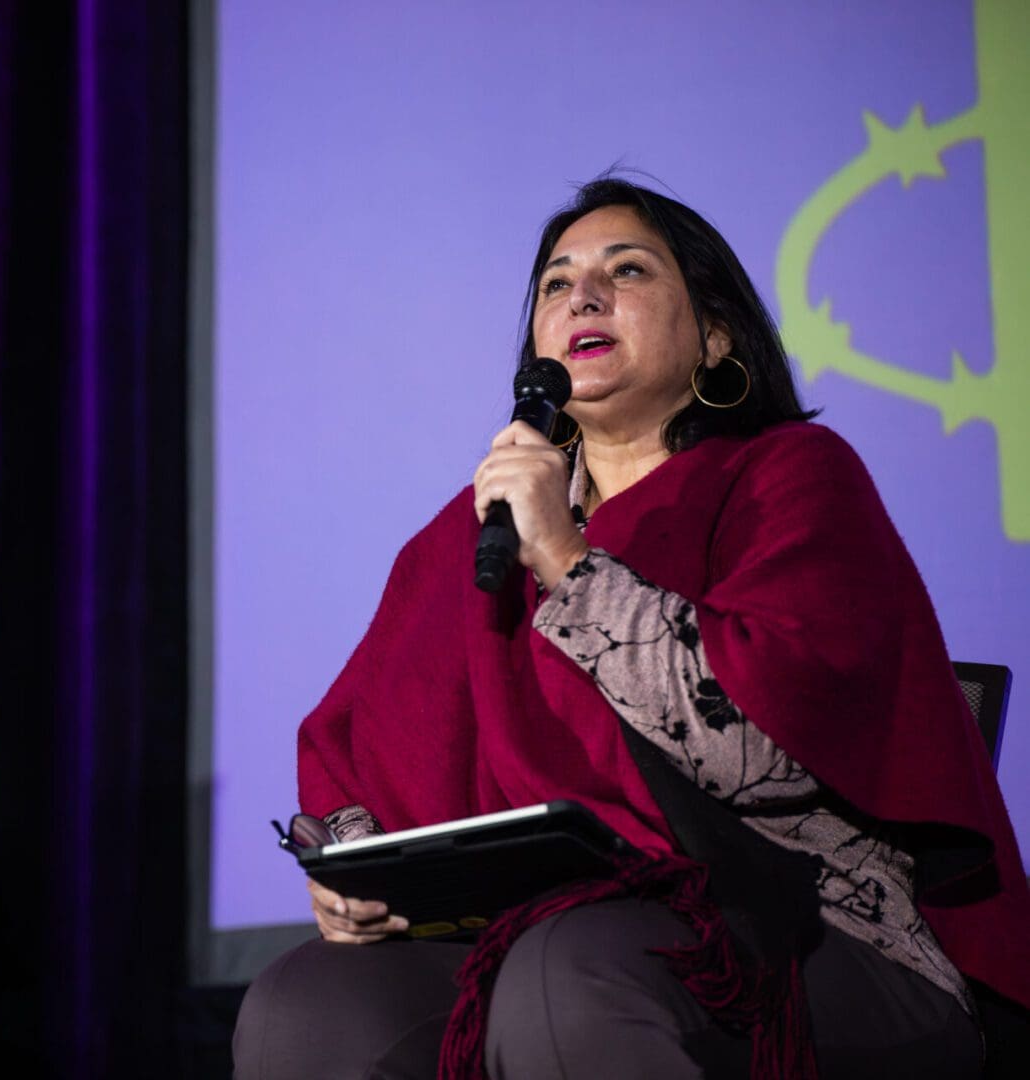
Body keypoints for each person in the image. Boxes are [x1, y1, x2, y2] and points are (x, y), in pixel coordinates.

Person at [232, 179, 1030, 1079]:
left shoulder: (793, 477)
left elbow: (761, 750)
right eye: (555, 283)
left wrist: (570, 563)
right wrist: (355, 876)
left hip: (809, 932)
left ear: (716, 336)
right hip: (536, 928)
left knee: (573, 971)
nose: (583, 295)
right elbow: (365, 752)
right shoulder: (472, 532)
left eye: (629, 270)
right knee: (309, 1002)